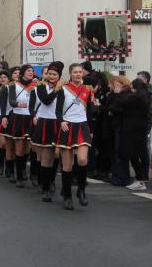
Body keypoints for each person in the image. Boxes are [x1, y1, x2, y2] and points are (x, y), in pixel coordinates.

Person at [55, 63, 95, 210]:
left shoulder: (88, 89)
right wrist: (61, 122)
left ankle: (81, 190)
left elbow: (90, 112)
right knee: (67, 165)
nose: (78, 74)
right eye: (75, 72)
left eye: (80, 72)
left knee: (82, 159)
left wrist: (91, 129)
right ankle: (67, 195)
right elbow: (58, 110)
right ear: (71, 74)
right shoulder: (63, 89)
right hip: (67, 126)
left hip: (83, 126)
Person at [30, 61, 63, 202]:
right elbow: (46, 100)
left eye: (55, 74)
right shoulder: (40, 87)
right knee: (44, 157)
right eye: (49, 73)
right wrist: (56, 89)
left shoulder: (64, 89)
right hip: (44, 122)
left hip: (57, 123)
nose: (51, 76)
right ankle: (45, 186)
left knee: (55, 155)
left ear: (59, 75)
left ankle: (50, 182)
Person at [7, 65, 37, 188]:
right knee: (19, 148)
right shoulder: (14, 85)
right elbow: (11, 101)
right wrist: (19, 103)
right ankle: (18, 176)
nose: (31, 73)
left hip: (31, 118)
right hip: (19, 117)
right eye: (28, 71)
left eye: (32, 71)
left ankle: (24, 170)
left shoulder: (36, 86)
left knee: (28, 149)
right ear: (23, 73)